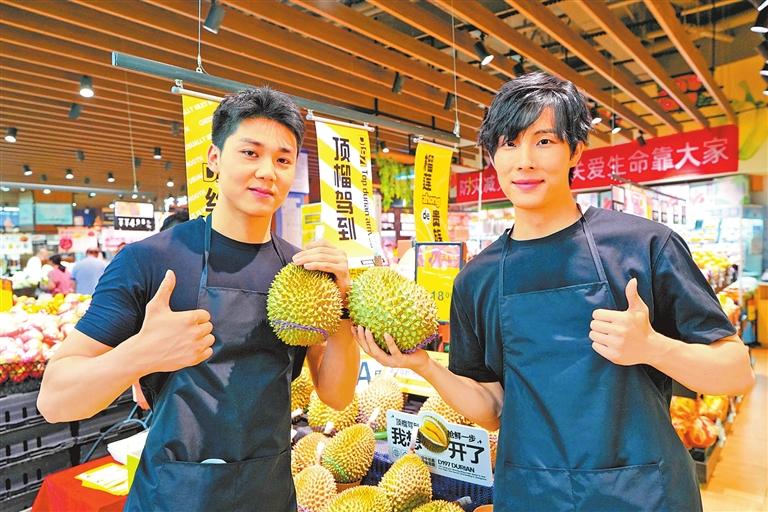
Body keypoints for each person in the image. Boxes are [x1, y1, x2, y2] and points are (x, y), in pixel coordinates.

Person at [354, 73, 755, 512]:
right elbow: (493, 408)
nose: (524, 161)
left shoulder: (644, 246)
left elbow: (736, 372)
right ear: (492, 156)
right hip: (532, 494)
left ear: (575, 150)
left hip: (643, 493)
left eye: (544, 141)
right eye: (509, 143)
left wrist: (652, 348)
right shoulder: (477, 279)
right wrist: (424, 367)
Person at [37, 87, 360, 511]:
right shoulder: (149, 260)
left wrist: (342, 308)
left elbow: (336, 396)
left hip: (268, 493)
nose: (267, 171)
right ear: (214, 158)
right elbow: (54, 400)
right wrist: (140, 354)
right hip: (174, 496)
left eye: (283, 160)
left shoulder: (302, 273)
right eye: (250, 153)